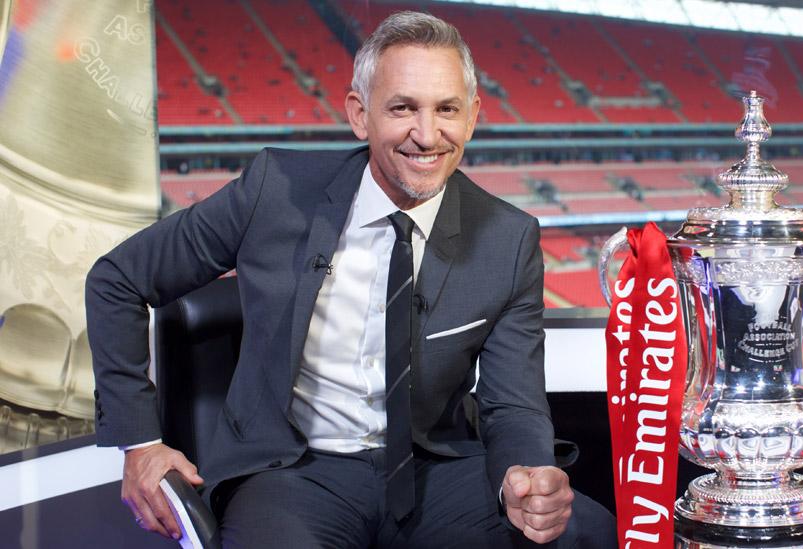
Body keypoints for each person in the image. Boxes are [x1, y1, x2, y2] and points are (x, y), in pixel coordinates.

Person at [86, 11, 615, 549]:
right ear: (360, 115)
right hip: (295, 472)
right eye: (403, 108)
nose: (427, 135)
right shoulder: (274, 188)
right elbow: (118, 279)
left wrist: (522, 480)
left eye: (446, 109)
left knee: (588, 534)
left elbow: (513, 403)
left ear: (473, 116)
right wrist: (141, 443)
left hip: (438, 467)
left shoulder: (509, 237)